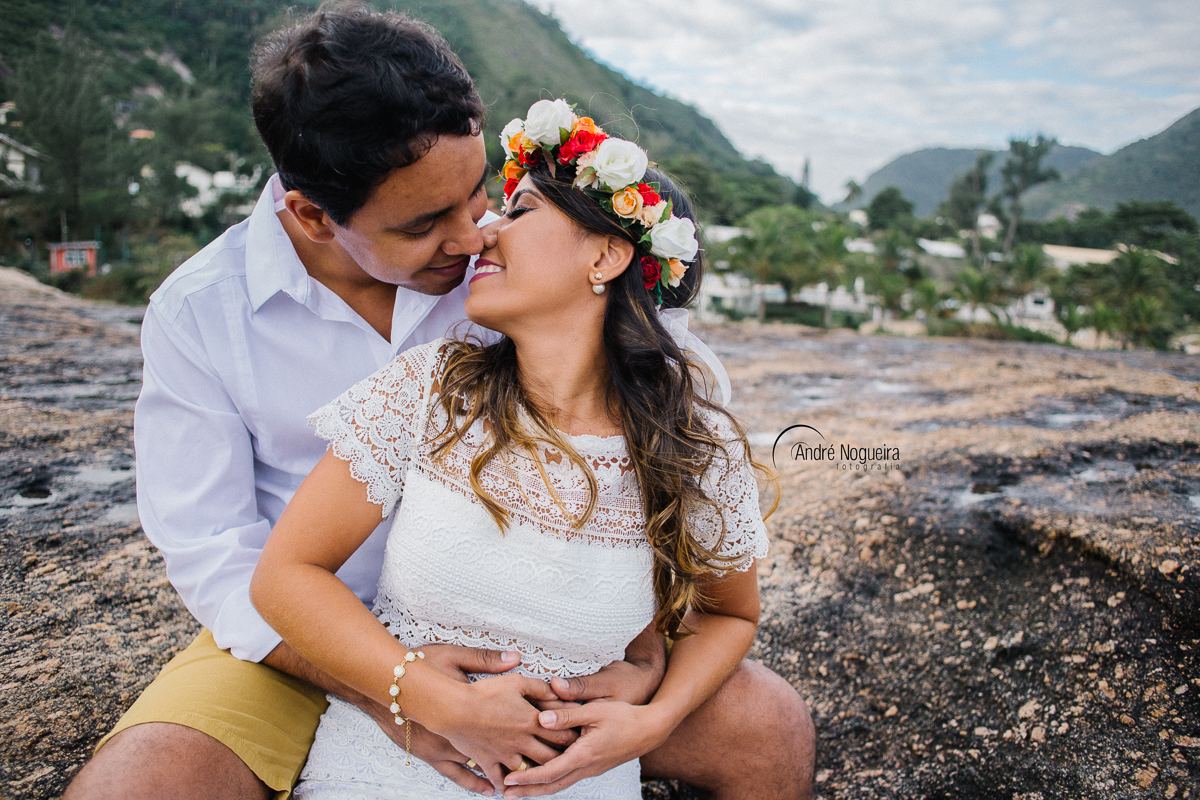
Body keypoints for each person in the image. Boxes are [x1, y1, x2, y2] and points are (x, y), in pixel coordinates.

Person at [63, 5, 815, 800]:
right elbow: (220, 555)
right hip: (306, 637)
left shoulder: (515, 270)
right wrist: (404, 694)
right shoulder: (201, 314)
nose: (471, 236)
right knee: (138, 786)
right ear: (313, 216)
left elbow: (656, 377)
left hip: (543, 640)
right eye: (426, 223)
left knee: (769, 726)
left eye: (483, 194)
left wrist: (643, 648)